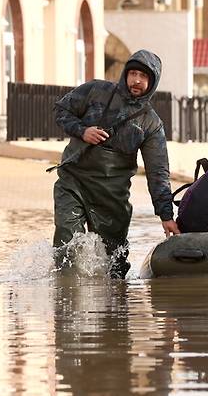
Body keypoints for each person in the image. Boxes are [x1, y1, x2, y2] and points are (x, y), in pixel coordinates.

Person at [52, 49, 180, 278]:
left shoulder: (151, 124)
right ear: (125, 74)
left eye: (143, 76)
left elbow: (158, 173)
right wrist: (82, 131)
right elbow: (61, 109)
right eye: (132, 74)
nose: (137, 80)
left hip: (112, 196)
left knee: (116, 265)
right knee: (65, 244)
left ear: (152, 82)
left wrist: (166, 216)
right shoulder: (96, 91)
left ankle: (116, 309)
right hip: (73, 182)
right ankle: (65, 300)